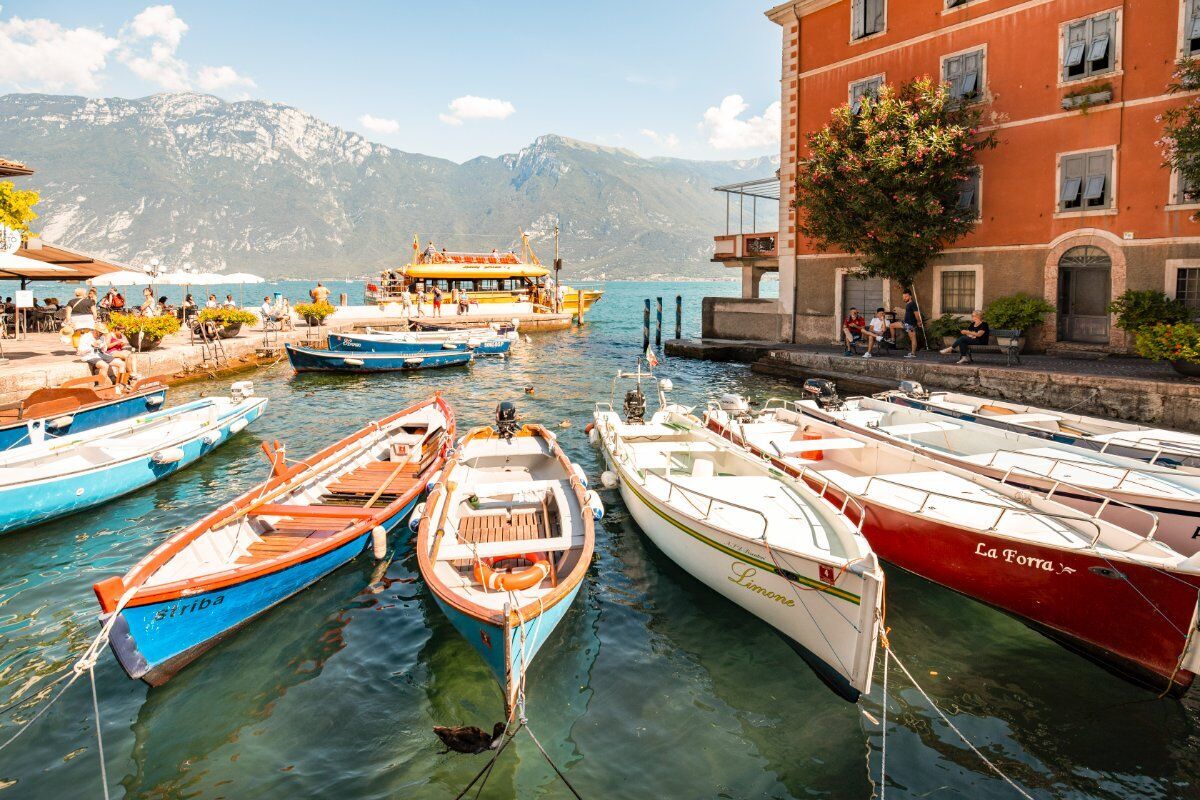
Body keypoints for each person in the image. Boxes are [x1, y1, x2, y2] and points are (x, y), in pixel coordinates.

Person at [889, 289, 923, 359]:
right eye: (903, 297)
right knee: (891, 325)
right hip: (905, 323)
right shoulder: (908, 304)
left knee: (913, 339)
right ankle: (892, 339)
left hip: (910, 325)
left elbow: (916, 314)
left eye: (906, 297)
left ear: (910, 296)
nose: (904, 298)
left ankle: (913, 353)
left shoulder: (913, 304)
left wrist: (919, 322)